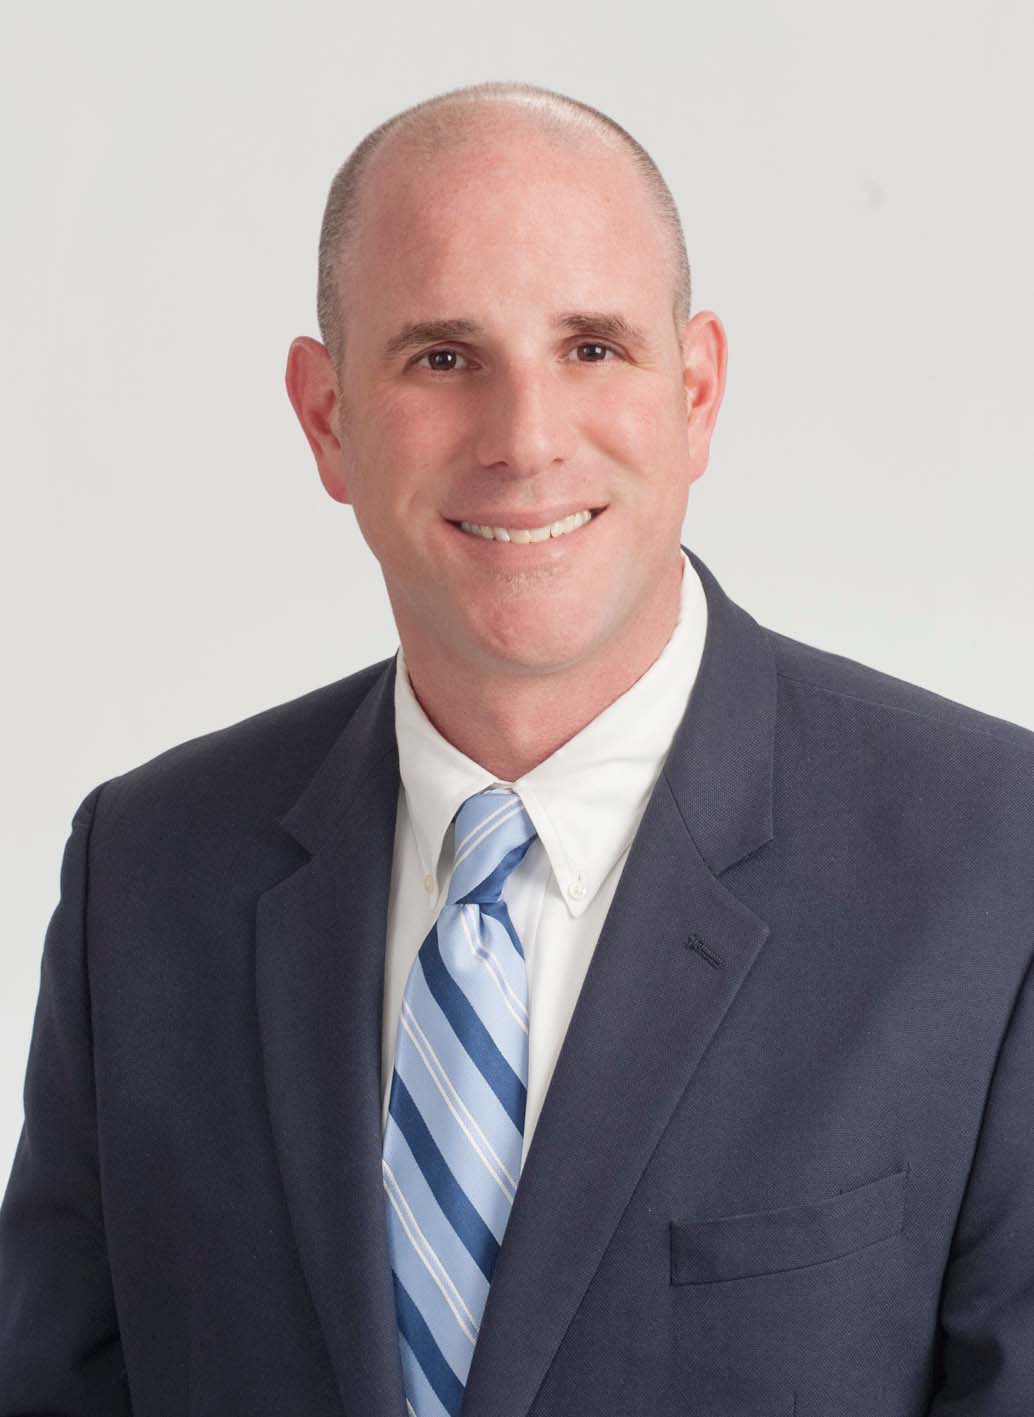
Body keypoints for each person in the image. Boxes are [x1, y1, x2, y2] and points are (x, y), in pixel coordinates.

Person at [0, 79, 1031, 1417]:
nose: (525, 440)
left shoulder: (991, 865)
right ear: (326, 417)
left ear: (696, 391)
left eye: (592, 347)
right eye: (442, 357)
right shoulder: (147, 874)